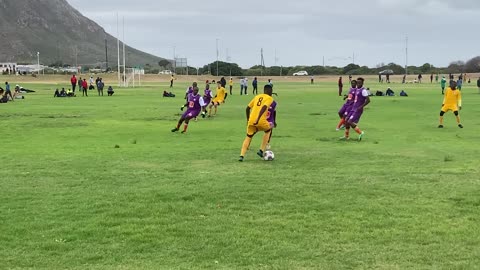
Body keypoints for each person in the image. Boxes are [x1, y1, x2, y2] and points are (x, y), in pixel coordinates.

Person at [238, 84, 275, 162]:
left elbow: (247, 108)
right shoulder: (269, 98)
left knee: (248, 137)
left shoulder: (257, 97)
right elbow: (264, 107)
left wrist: (248, 119)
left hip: (251, 121)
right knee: (269, 130)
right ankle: (261, 150)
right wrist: (258, 119)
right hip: (261, 121)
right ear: (270, 91)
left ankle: (241, 156)